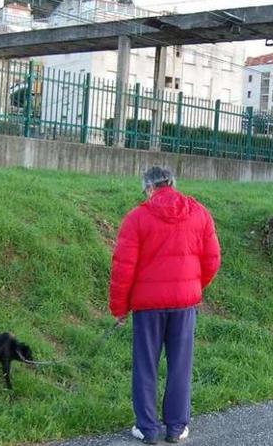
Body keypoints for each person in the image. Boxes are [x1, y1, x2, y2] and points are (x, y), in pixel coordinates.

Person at [109, 166, 221, 444]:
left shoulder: (137, 217)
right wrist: (193, 286)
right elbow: (212, 260)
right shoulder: (199, 213)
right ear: (172, 184)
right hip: (185, 305)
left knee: (145, 365)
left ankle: (147, 429)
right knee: (180, 365)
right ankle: (176, 427)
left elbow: (123, 269)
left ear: (149, 188)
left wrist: (119, 309)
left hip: (148, 308)